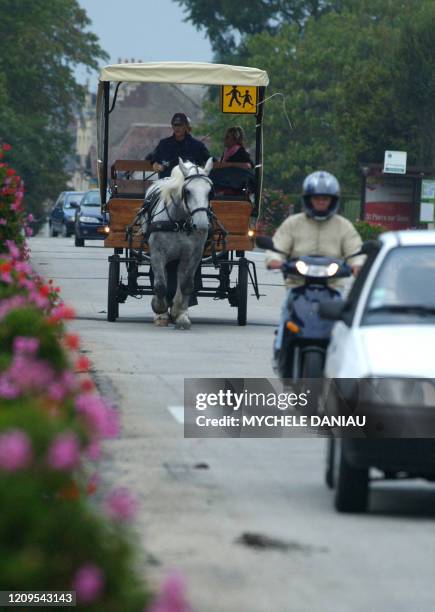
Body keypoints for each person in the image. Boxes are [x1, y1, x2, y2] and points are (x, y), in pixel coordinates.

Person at [266, 170, 364, 352]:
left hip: (333, 286)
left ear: (333, 200)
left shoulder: (343, 226)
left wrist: (358, 265)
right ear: (308, 199)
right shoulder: (292, 223)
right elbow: (277, 247)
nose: (320, 202)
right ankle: (280, 348)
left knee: (344, 328)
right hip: (297, 284)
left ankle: (343, 358)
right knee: (286, 317)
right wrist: (275, 260)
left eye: (325, 198)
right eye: (316, 198)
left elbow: (355, 251)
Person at [146, 113, 211, 178]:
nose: (177, 128)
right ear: (172, 126)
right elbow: (150, 158)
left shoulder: (198, 146)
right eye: (175, 125)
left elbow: (210, 161)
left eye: (180, 125)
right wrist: (155, 164)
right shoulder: (163, 144)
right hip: (167, 183)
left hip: (189, 183)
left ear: (185, 126)